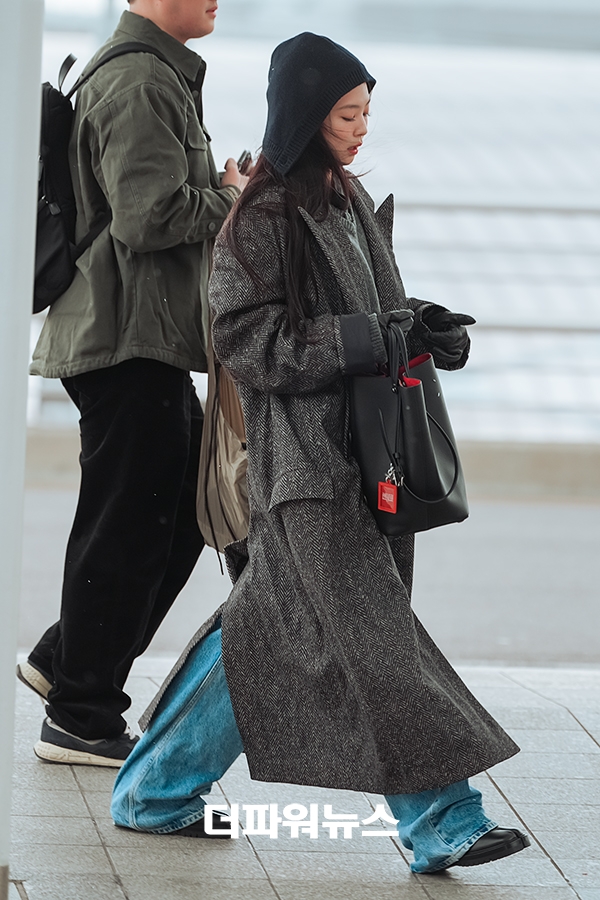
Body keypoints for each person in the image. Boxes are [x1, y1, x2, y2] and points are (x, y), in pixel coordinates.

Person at [110, 33, 531, 873]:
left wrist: (422, 326)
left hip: (358, 460)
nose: (362, 127)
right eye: (347, 113)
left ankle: (152, 794)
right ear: (306, 118)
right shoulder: (260, 218)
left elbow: (374, 309)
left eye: (368, 110)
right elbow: (248, 344)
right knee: (376, 642)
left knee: (267, 630)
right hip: (305, 471)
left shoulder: (340, 200)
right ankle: (443, 820)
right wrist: (368, 337)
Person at [17, 0, 248, 767]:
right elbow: (148, 218)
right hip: (118, 337)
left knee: (175, 511)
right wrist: (235, 201)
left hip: (135, 335)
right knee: (127, 523)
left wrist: (212, 184)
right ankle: (81, 714)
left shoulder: (154, 74)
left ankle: (63, 663)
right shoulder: (142, 79)